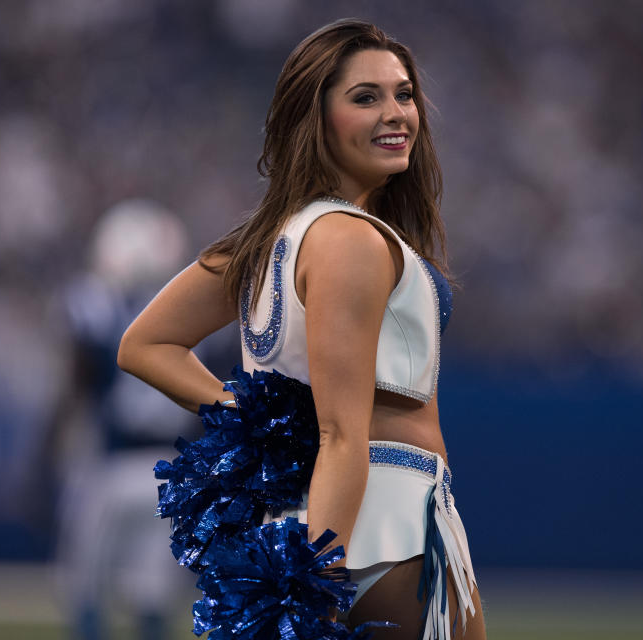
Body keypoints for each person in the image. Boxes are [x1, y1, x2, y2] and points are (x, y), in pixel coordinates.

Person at [117, 18, 486, 640]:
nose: (397, 113)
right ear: (313, 118)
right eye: (365, 97)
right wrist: (310, 581)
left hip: (305, 517)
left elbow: (146, 345)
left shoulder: (263, 241)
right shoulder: (346, 239)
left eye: (403, 93)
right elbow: (343, 433)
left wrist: (253, 419)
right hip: (379, 520)